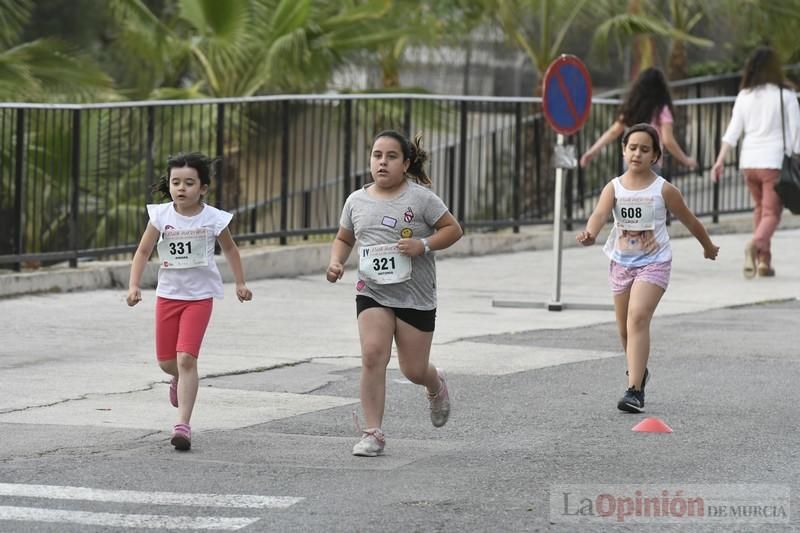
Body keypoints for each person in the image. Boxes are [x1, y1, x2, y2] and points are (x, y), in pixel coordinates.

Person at [326, 130, 463, 456]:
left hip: (415, 295)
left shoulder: (421, 199)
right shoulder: (356, 201)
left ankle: (434, 383)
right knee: (373, 354)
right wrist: (335, 261)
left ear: (406, 163)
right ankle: (372, 433)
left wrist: (424, 244)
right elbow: (344, 239)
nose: (382, 162)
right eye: (377, 156)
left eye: (390, 157)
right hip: (371, 291)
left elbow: (453, 230)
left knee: (413, 370)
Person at [576, 124, 719, 413]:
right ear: (623, 150)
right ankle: (638, 370)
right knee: (624, 329)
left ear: (655, 155)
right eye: (632, 148)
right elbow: (599, 215)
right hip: (621, 263)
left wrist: (707, 245)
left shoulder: (664, 190)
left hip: (654, 263)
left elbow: (690, 220)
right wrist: (590, 234)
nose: (637, 154)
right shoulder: (613, 188)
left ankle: (634, 390)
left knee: (638, 317)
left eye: (644, 149)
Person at [126, 152, 253, 451]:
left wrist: (240, 283)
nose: (181, 188)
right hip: (168, 296)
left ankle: (183, 424)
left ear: (203, 188)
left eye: (189, 183)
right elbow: (143, 252)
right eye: (175, 182)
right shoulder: (160, 216)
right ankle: (178, 381)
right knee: (167, 362)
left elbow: (231, 251)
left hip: (199, 298)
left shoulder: (213, 219)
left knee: (186, 359)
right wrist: (134, 286)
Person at [711, 46, 800, 278]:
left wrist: (719, 160)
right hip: (773, 162)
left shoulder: (744, 96)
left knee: (760, 210)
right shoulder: (786, 96)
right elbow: (796, 135)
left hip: (748, 162)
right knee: (772, 214)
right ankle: (755, 244)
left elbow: (732, 132)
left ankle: (763, 262)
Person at [580, 67, 697, 171]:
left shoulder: (632, 107)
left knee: (629, 195)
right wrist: (686, 160)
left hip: (630, 161)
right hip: (650, 162)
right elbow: (668, 140)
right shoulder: (662, 110)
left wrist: (592, 152)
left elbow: (613, 132)